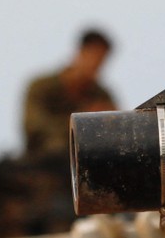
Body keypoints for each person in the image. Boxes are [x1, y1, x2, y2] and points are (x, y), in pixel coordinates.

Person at [22, 28, 118, 160]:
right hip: (42, 163)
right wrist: (84, 122)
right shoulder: (41, 87)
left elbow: (119, 131)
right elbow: (34, 128)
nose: (95, 65)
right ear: (80, 53)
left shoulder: (101, 95)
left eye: (101, 60)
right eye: (92, 57)